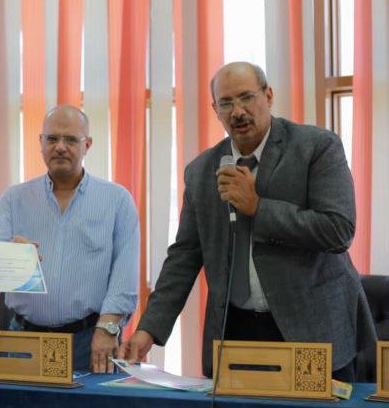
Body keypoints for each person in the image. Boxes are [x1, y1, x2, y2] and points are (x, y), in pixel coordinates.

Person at [122, 62, 376, 381]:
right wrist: (149, 329)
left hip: (311, 327)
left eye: (246, 97)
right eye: (226, 103)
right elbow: (184, 257)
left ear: (268, 96)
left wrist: (258, 208)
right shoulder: (202, 171)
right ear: (215, 110)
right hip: (237, 332)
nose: (238, 112)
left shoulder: (316, 147)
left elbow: (338, 230)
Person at [0, 105, 140, 373]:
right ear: (40, 143)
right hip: (23, 338)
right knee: (17, 402)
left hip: (90, 340)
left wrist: (107, 330)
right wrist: (6, 252)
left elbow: (124, 276)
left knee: (91, 402)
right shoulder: (15, 198)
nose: (60, 147)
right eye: (52, 139)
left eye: (71, 140)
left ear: (87, 144)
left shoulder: (116, 200)